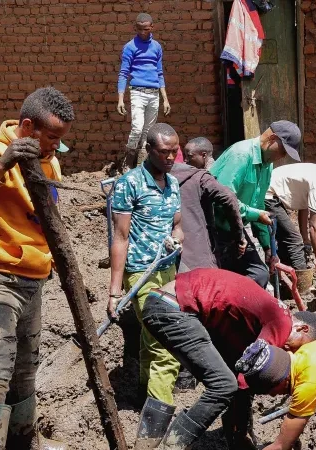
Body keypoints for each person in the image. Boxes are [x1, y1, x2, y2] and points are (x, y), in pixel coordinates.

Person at [0, 87, 74, 449]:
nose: (56, 146)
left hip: (34, 278)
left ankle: (22, 442)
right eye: (51, 137)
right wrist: (3, 166)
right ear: (26, 127)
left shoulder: (50, 158)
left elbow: (47, 216)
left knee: (25, 372)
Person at [137, 268, 316, 449]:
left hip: (169, 303)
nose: (289, 351)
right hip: (175, 308)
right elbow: (252, 372)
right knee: (224, 385)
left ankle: (146, 442)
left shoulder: (271, 314)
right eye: (299, 347)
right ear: (302, 328)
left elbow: (242, 368)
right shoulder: (282, 322)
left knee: (230, 380)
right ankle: (172, 446)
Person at [108, 123, 183, 409]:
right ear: (148, 150)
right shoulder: (130, 184)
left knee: (151, 337)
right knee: (166, 344)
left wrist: (176, 239)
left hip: (168, 270)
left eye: (174, 152)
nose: (170, 158)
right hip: (141, 273)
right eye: (164, 152)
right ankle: (158, 416)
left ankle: (143, 393)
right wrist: (115, 292)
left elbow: (178, 225)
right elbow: (120, 237)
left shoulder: (173, 184)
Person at [209, 121, 302, 288]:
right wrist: (255, 214)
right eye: (282, 151)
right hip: (213, 229)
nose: (282, 157)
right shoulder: (241, 155)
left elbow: (259, 206)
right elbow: (223, 199)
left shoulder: (267, 165)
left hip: (235, 229)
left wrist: (267, 247)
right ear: (272, 138)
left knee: (259, 274)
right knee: (219, 277)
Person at [170, 151, 242, 272]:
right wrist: (238, 235)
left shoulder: (147, 178)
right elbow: (228, 197)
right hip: (198, 258)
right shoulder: (198, 177)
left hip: (162, 260)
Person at [117, 13, 171, 172]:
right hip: (138, 92)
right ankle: (127, 163)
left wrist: (165, 99)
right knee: (137, 127)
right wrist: (120, 98)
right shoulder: (130, 47)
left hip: (154, 93)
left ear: (152, 27)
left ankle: (141, 165)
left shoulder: (156, 47)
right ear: (135, 28)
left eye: (146, 29)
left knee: (148, 131)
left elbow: (159, 73)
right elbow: (123, 73)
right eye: (139, 29)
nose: (142, 32)